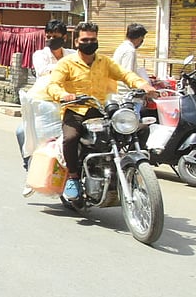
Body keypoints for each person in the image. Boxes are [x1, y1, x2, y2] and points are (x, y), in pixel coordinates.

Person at [47, 21, 156, 202]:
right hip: (75, 110)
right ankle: (73, 177)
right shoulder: (66, 63)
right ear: (76, 42)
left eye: (93, 39)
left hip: (99, 110)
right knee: (70, 138)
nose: (89, 43)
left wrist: (143, 85)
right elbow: (53, 85)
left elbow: (125, 74)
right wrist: (64, 95)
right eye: (85, 39)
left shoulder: (104, 62)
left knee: (139, 128)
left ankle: (128, 166)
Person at [17, 19, 76, 169]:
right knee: (21, 131)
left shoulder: (72, 54)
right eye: (48, 36)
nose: (50, 40)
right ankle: (28, 164)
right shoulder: (40, 54)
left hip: (68, 101)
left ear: (64, 38)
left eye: (54, 36)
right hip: (44, 103)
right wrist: (65, 67)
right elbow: (42, 71)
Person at [112, 23, 150, 89]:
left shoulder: (122, 47)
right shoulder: (130, 51)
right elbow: (128, 75)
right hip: (124, 93)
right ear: (139, 38)